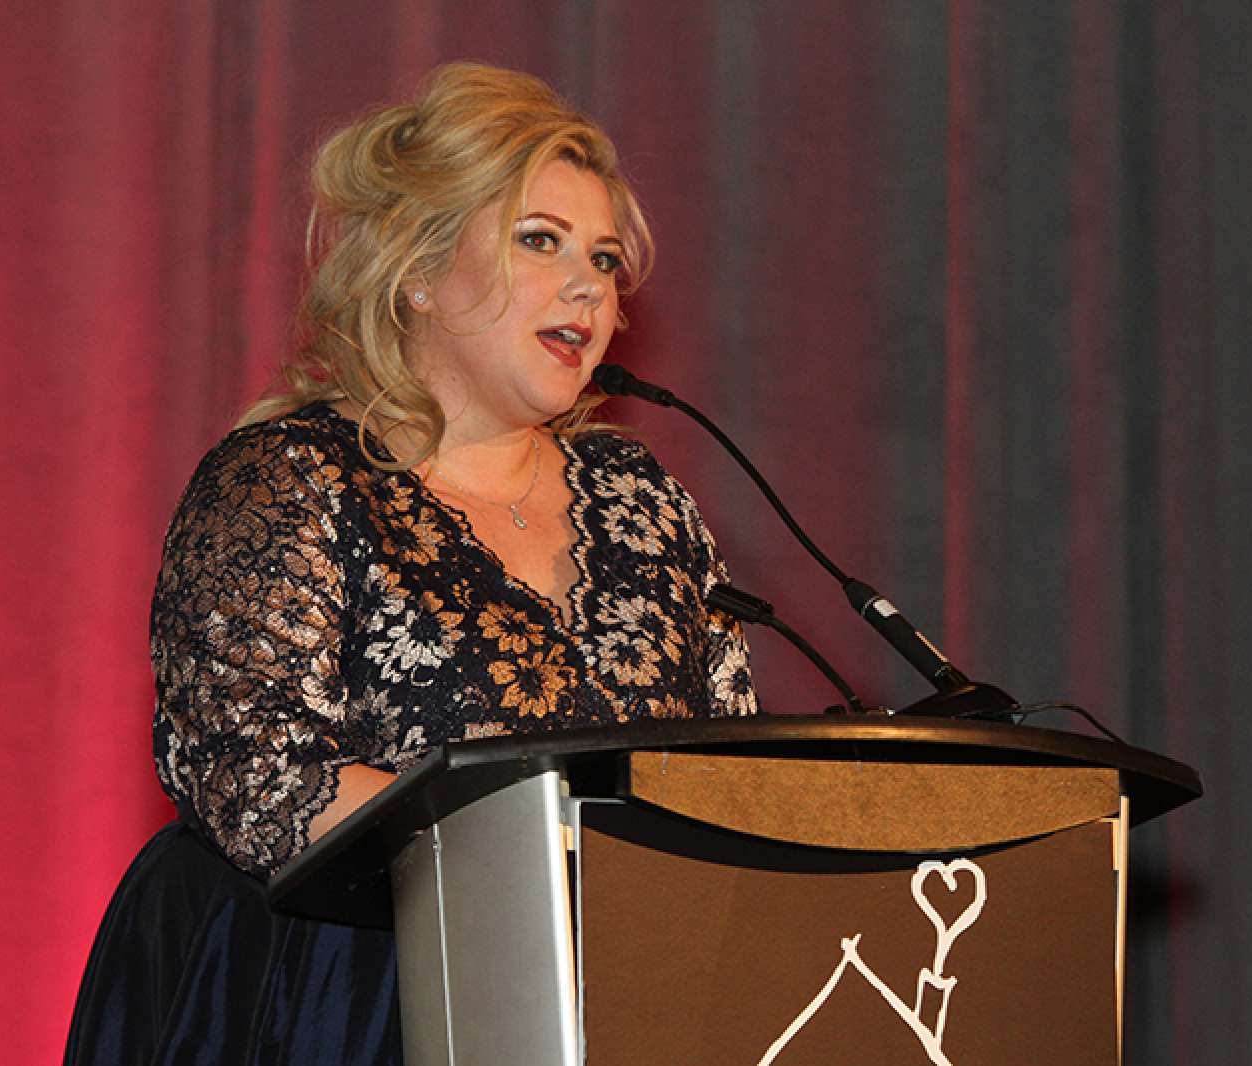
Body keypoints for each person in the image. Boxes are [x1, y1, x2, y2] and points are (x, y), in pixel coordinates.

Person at [64, 62, 757, 1065]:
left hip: (618, 1002)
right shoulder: (289, 480)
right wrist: (531, 858)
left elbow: (726, 767)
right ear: (419, 271)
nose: (589, 286)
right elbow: (257, 778)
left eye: (605, 260)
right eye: (540, 241)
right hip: (340, 1002)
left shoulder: (642, 500)